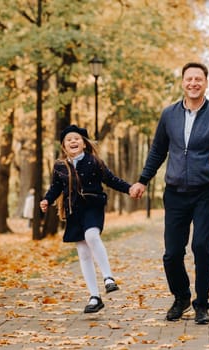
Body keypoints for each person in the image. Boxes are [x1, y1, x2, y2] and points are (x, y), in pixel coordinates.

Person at [129, 62, 209, 324]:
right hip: (175, 192)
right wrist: (143, 180)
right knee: (172, 253)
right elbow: (158, 150)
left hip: (206, 191)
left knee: (202, 247)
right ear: (182, 82)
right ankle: (181, 297)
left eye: (198, 79)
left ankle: (201, 304)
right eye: (189, 79)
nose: (193, 83)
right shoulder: (169, 114)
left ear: (206, 83)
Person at [40, 125, 132, 314]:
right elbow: (55, 187)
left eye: (77, 139)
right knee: (83, 253)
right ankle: (94, 297)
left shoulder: (94, 161)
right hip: (73, 211)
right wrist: (46, 200)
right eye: (69, 139)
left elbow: (111, 179)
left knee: (91, 236)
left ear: (84, 143)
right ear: (64, 146)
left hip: (92, 206)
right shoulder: (59, 166)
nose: (73, 141)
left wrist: (130, 188)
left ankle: (108, 278)